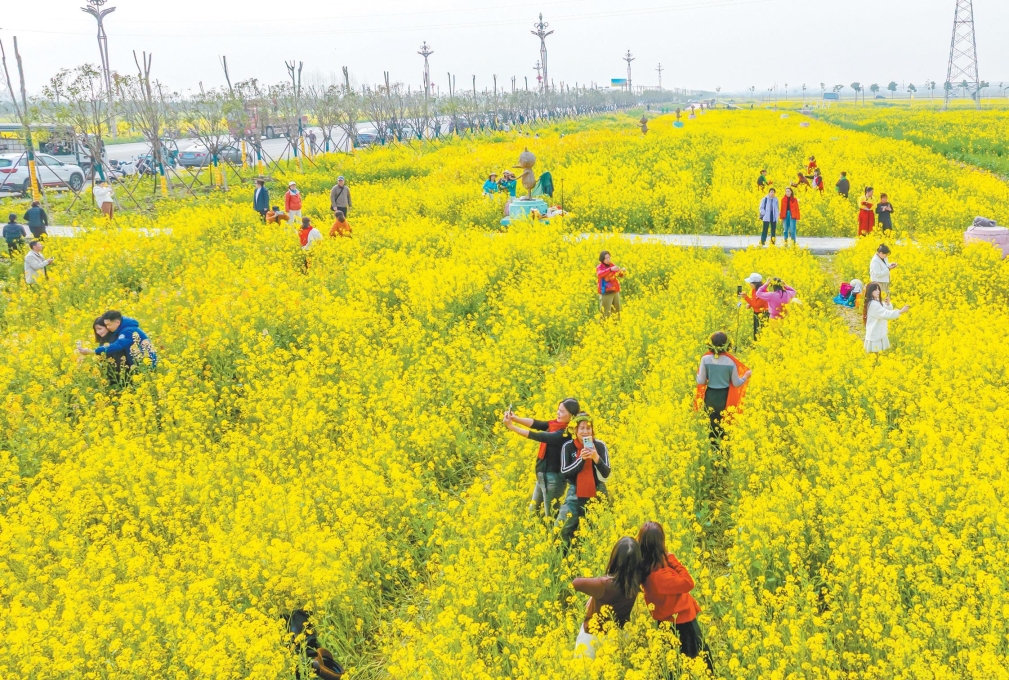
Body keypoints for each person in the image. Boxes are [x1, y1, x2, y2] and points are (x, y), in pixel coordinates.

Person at [637, 521, 713, 671]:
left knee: (673, 664)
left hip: (667, 623)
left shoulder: (646, 567)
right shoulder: (658, 576)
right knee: (696, 663)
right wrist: (671, 558)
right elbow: (688, 582)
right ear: (659, 544)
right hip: (682, 624)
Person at [502, 398, 581, 518]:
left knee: (551, 515)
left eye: (562, 411)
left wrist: (512, 427)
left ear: (572, 415)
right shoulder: (556, 425)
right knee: (533, 512)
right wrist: (515, 418)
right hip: (542, 475)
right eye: (558, 410)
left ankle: (557, 530)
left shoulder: (566, 433)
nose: (558, 413)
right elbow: (537, 424)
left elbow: (539, 436)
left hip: (553, 478)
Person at [571, 537, 642, 659]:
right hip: (617, 638)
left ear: (615, 558)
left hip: (592, 638)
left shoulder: (603, 585)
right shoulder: (637, 579)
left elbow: (576, 583)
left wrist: (596, 586)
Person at [557, 412, 611, 547]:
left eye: (588, 428)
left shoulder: (599, 445)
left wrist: (596, 458)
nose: (585, 431)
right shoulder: (568, 447)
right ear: (575, 430)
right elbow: (564, 473)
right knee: (562, 528)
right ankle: (563, 555)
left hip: (598, 491)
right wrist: (581, 459)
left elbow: (606, 473)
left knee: (596, 531)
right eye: (582, 428)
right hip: (575, 492)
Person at [694, 332, 751, 446]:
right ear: (727, 345)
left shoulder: (705, 359)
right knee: (725, 425)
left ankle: (714, 450)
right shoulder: (731, 362)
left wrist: (697, 374)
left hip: (710, 397)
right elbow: (736, 383)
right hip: (725, 397)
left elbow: (701, 381)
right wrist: (746, 376)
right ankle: (726, 451)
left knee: (712, 426)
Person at [76, 310, 157, 369]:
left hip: (146, 365)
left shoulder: (127, 331)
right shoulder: (122, 329)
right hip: (139, 363)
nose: (107, 327)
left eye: (109, 325)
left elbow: (118, 345)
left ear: (117, 322)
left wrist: (93, 351)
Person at [863, 282, 909, 353]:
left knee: (878, 354)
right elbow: (886, 314)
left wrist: (888, 304)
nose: (878, 291)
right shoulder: (873, 304)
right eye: (875, 290)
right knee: (876, 354)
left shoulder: (875, 301)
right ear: (870, 291)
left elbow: (885, 309)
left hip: (878, 332)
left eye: (878, 289)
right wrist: (900, 311)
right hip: (876, 333)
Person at [86, 315, 130, 386]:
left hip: (122, 377)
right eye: (96, 330)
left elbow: (119, 363)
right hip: (111, 378)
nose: (98, 332)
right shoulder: (103, 340)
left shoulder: (116, 341)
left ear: (107, 327)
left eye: (100, 329)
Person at [596, 251, 626, 319]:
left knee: (617, 311)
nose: (608, 260)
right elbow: (600, 274)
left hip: (615, 291)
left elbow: (619, 275)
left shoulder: (612, 265)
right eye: (606, 258)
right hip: (606, 293)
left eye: (609, 258)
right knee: (605, 313)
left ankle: (616, 324)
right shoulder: (600, 267)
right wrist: (610, 269)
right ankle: (603, 325)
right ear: (602, 259)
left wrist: (622, 272)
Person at [740, 273, 769, 339]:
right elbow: (754, 300)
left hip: (763, 314)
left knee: (761, 331)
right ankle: (756, 343)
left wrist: (746, 298)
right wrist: (750, 304)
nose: (749, 284)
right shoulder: (754, 290)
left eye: (750, 283)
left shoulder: (763, 292)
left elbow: (756, 305)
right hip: (757, 312)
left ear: (755, 284)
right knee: (757, 330)